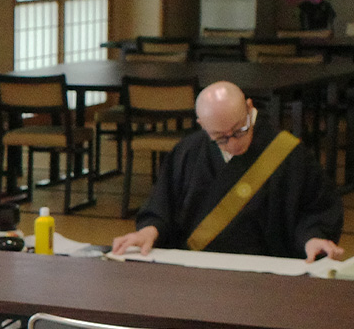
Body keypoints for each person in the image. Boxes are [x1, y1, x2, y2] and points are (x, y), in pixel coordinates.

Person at [111, 81, 344, 262]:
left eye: (239, 130)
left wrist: (312, 239)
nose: (233, 143)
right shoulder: (187, 152)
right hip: (196, 267)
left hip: (266, 270)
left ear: (249, 108)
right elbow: (162, 206)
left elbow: (316, 208)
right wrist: (149, 232)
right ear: (202, 125)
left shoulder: (288, 153)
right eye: (221, 138)